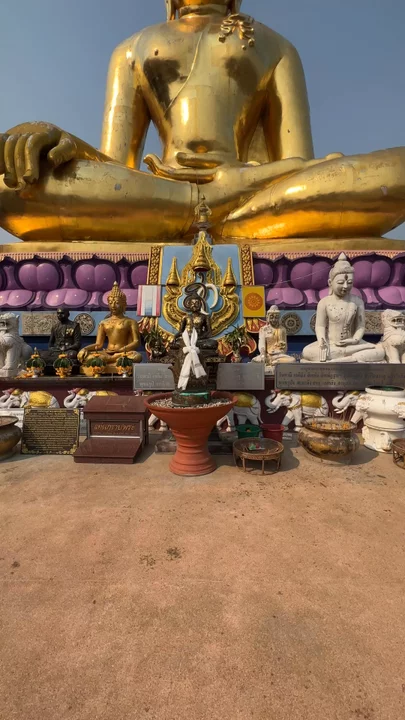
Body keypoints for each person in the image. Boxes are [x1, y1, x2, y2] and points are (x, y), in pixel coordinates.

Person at [0, 0, 404, 245]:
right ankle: (203, 206)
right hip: (161, 191)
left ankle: (204, 210)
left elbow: (298, 166)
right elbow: (115, 167)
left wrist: (244, 180)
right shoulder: (131, 49)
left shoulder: (274, 45)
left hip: (256, 190)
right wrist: (61, 141)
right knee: (9, 182)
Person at [301, 254, 385, 363]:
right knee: (307, 352)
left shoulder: (357, 302)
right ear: (330, 283)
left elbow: (360, 326)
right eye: (341, 283)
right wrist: (322, 342)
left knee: (379, 351)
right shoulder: (324, 302)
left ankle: (343, 358)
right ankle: (350, 358)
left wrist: (354, 340)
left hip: (353, 345)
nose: (345, 286)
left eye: (349, 283)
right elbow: (320, 326)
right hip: (331, 344)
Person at [78, 282, 142, 372]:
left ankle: (109, 361)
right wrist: (85, 349)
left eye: (117, 303)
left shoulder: (131, 322)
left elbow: (136, 342)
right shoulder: (104, 323)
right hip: (107, 352)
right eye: (111, 303)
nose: (113, 305)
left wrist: (122, 350)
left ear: (124, 304)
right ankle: (113, 360)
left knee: (137, 356)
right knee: (85, 356)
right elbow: (98, 344)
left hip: (123, 353)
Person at [253, 306, 295, 373]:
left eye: (276, 317)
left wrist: (281, 348)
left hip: (278, 356)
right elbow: (261, 345)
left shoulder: (282, 330)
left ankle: (274, 363)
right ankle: (272, 363)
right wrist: (263, 355)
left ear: (279, 318)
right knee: (256, 361)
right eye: (271, 317)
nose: (274, 320)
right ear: (267, 317)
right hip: (267, 355)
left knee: (292, 360)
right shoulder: (263, 329)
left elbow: (285, 348)